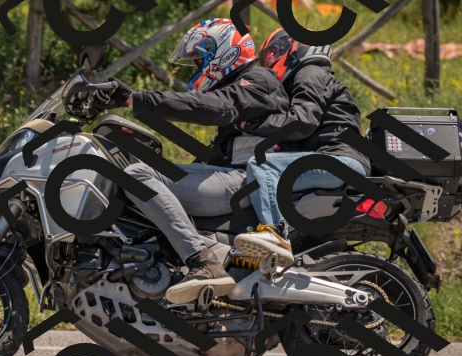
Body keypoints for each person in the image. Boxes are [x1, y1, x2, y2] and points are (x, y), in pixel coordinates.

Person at [93, 18, 290, 304]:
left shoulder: (259, 80)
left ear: (225, 53)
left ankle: (202, 261)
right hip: (235, 178)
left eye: (198, 59)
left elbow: (216, 107)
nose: (196, 68)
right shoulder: (241, 88)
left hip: (247, 181)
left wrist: (135, 99)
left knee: (135, 176)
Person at [233, 29, 371, 264]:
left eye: (274, 53)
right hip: (339, 159)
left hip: (339, 159)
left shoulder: (310, 72)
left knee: (263, 166)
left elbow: (302, 121)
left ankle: (274, 236)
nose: (270, 62)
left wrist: (253, 124)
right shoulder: (313, 78)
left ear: (295, 48)